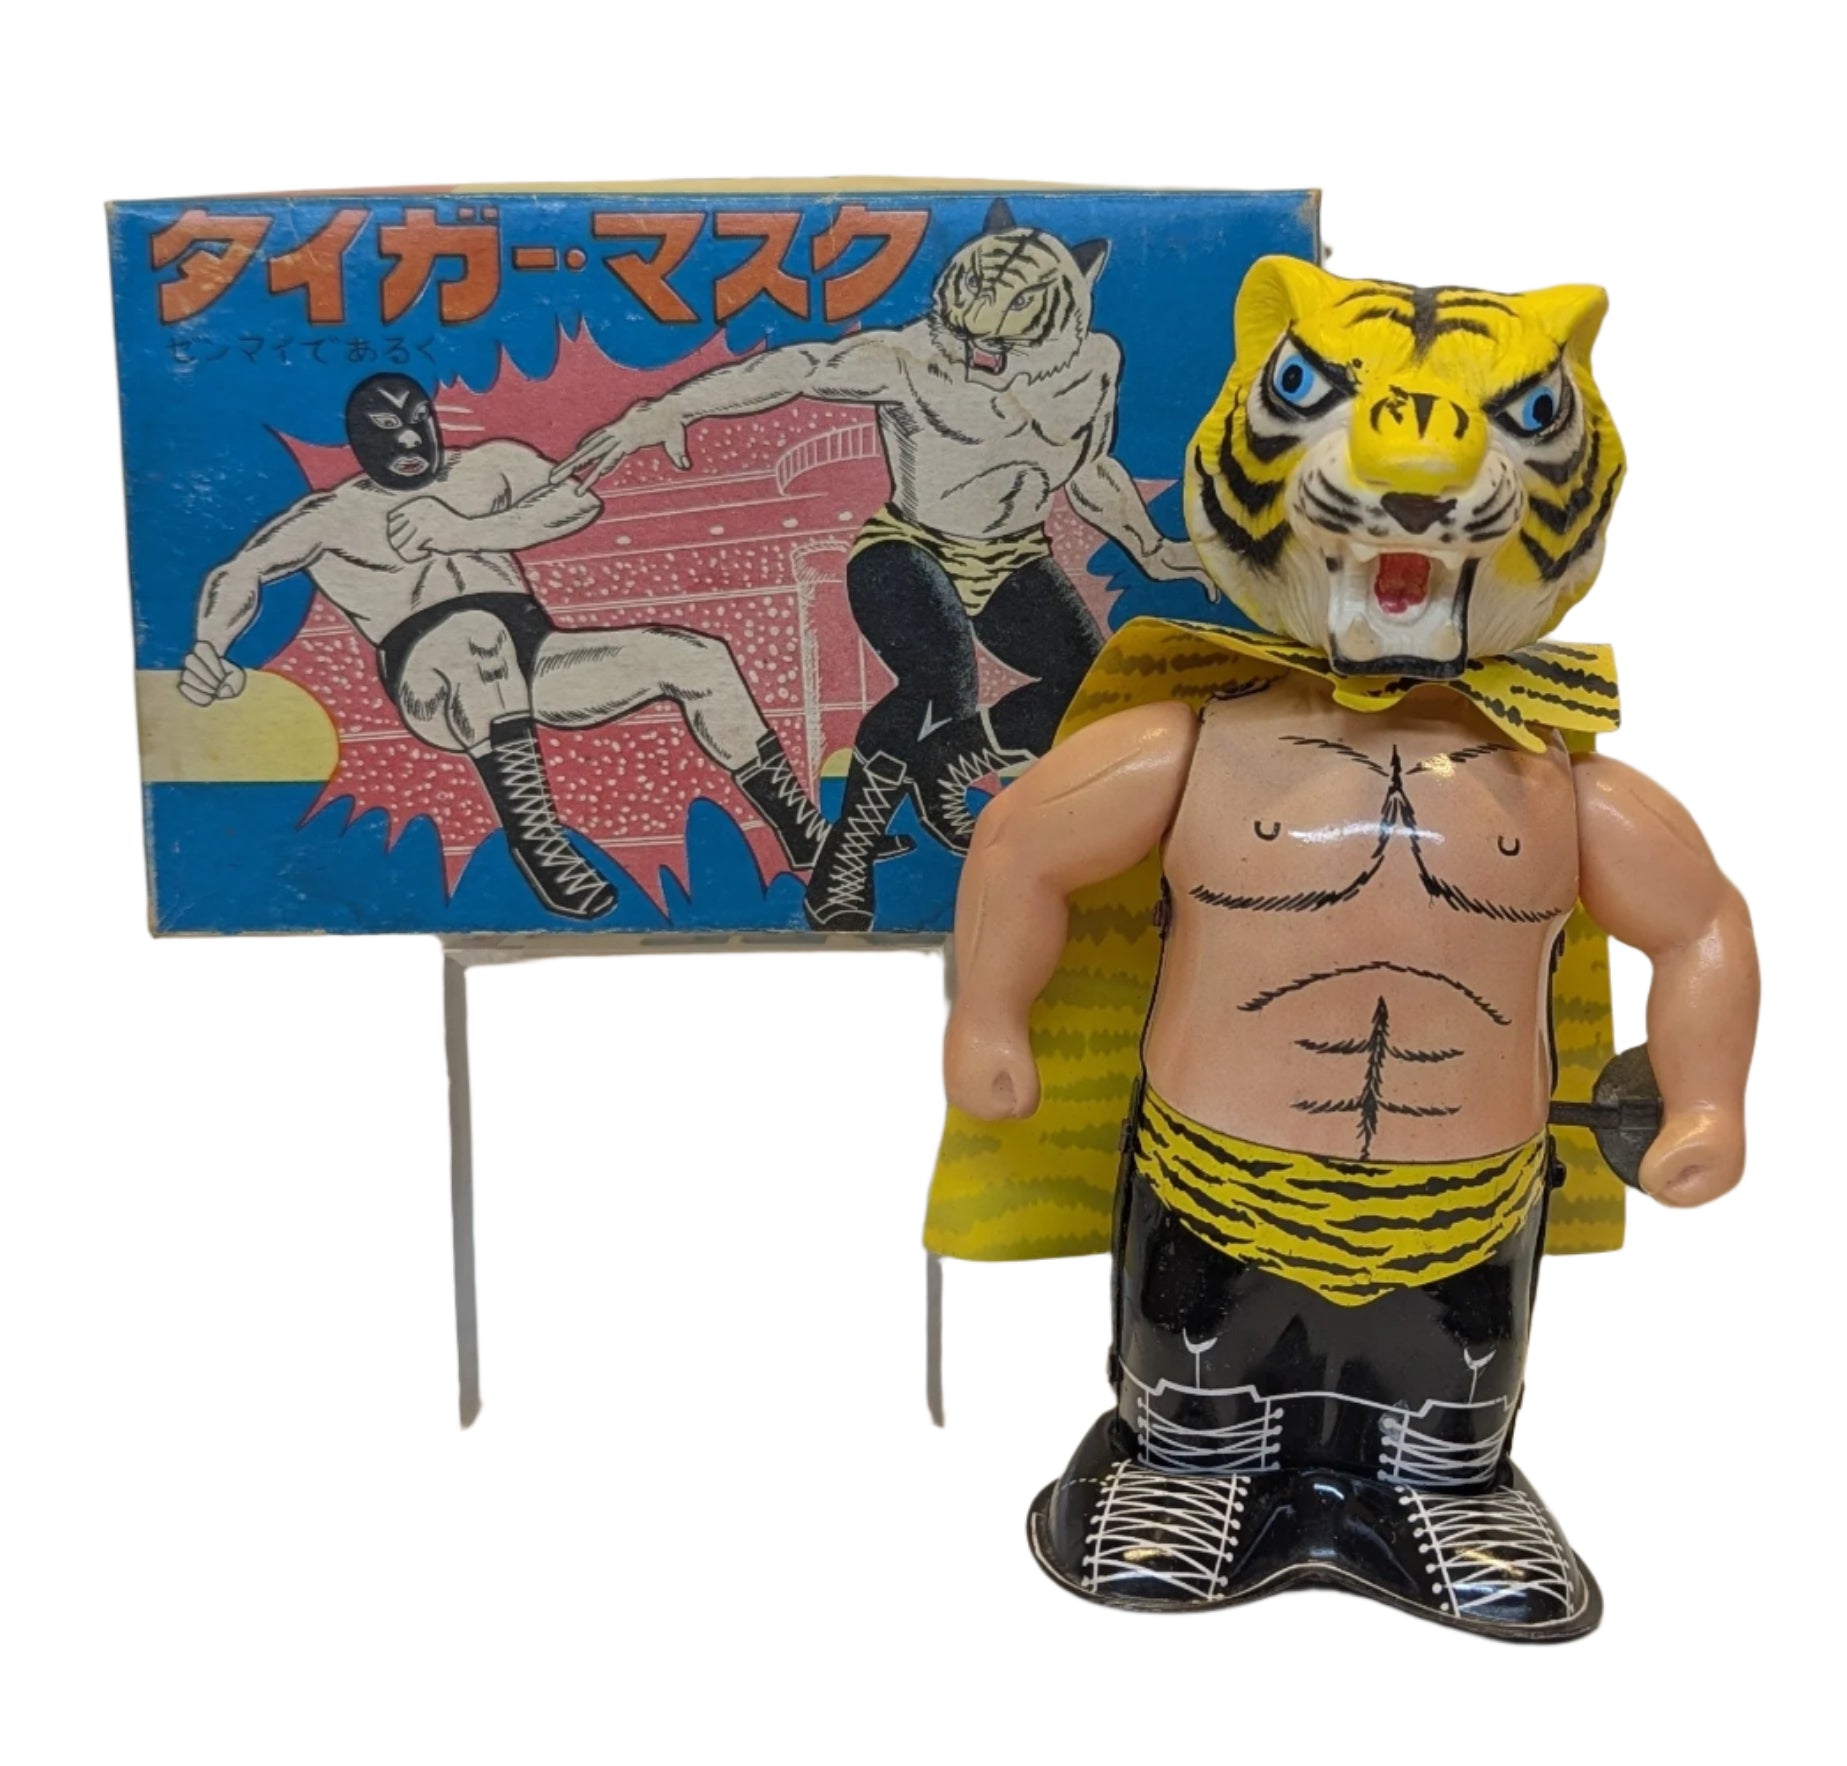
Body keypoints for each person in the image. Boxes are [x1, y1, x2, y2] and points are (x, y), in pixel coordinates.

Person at [933, 257, 1759, 1638]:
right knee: (1194, 1365)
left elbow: (1699, 922)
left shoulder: (1562, 787)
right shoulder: (1189, 744)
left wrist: (1708, 1101)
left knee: (1452, 1386)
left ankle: (1447, 1491)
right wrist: (987, 1020)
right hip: (1214, 1178)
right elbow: (1021, 845)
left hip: (1467, 1197)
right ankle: (1181, 1473)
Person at [558, 201, 1208, 931]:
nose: (977, 355)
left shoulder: (1092, 367)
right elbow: (795, 370)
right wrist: (670, 408)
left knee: (1089, 696)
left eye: (1002, 341)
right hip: (909, 544)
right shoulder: (908, 359)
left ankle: (949, 759)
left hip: (1014, 553)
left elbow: (1087, 470)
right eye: (965, 332)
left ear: (1064, 321)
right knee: (941, 682)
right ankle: (846, 856)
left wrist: (1153, 550)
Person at [182, 372, 832, 919]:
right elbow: (238, 574)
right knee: (475, 636)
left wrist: (465, 531)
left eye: (417, 422)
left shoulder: (489, 465)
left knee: (693, 657)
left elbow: (572, 505)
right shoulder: (329, 518)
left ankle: (799, 828)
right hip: (433, 685)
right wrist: (210, 647)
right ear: (358, 441)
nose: (408, 440)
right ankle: (538, 840)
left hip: (534, 655)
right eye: (386, 429)